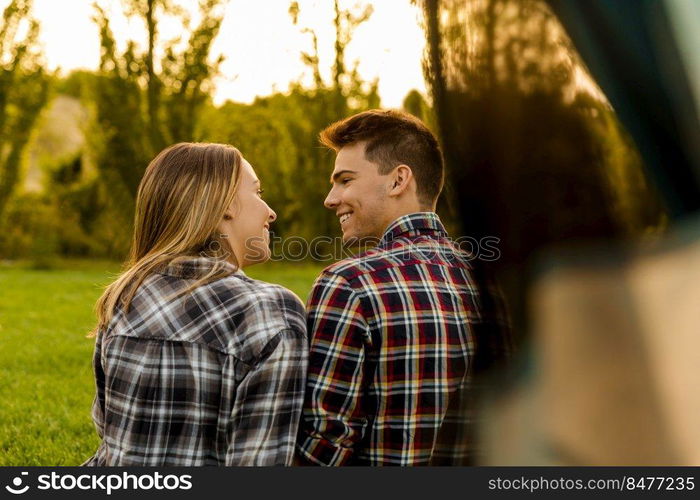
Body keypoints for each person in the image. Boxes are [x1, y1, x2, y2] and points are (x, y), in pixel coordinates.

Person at [296, 109, 510, 466]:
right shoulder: (496, 287)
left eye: (344, 180)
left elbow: (322, 449)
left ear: (398, 181)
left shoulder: (350, 284)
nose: (330, 199)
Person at [84, 142, 307, 466]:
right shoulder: (271, 310)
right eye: (257, 193)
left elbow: (109, 435)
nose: (269, 211)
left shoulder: (124, 297)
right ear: (226, 203)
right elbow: (261, 460)